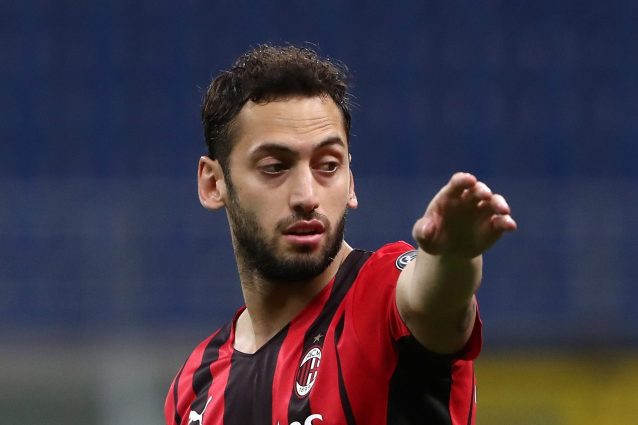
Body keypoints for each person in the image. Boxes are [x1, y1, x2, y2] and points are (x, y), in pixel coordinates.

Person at [164, 44, 516, 425]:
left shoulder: (379, 299)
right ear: (213, 183)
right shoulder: (193, 389)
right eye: (275, 167)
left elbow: (435, 300)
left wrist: (453, 256)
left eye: (328, 165)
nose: (307, 196)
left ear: (351, 182)